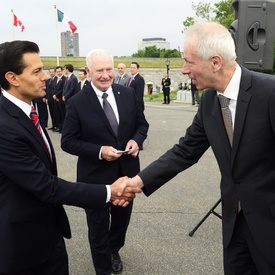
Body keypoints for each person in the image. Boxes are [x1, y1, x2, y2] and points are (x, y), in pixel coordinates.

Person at [118, 21, 275, 274]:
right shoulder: (210, 100)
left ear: (215, 62)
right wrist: (138, 181)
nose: (183, 69)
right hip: (234, 225)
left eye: (189, 62)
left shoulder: (270, 92)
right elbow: (185, 150)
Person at [0, 40, 140, 275]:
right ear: (13, 78)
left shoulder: (26, 112)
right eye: (37, 71)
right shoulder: (5, 125)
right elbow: (46, 184)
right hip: (24, 240)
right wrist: (109, 191)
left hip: (47, 230)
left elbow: (140, 124)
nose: (45, 76)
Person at [61, 49, 149, 275]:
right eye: (99, 70)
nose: (106, 75)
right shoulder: (77, 102)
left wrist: (136, 140)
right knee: (98, 225)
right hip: (94, 177)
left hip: (126, 173)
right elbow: (68, 141)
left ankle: (114, 249)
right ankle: (103, 267)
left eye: (109, 69)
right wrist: (100, 151)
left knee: (121, 221)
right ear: (88, 71)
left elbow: (142, 125)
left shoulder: (127, 94)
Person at [52, 65, 65, 133]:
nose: (58, 73)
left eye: (59, 71)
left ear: (62, 71)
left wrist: (56, 95)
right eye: (57, 72)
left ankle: (63, 127)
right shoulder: (55, 79)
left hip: (60, 99)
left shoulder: (64, 79)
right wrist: (53, 95)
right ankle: (59, 127)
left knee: (62, 114)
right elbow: (53, 88)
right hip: (55, 99)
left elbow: (62, 89)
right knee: (57, 114)